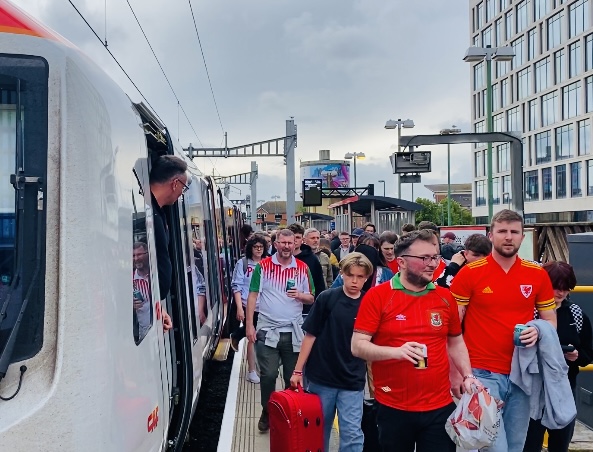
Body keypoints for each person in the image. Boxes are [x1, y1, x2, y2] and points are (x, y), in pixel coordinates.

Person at [352, 229, 481, 452]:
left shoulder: (445, 296)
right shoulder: (378, 296)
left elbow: (456, 341)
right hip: (393, 406)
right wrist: (396, 352)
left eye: (435, 257)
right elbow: (357, 346)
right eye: (424, 258)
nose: (432, 264)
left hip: (439, 407)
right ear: (401, 262)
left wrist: (467, 375)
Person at [450, 209, 557, 452]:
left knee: (516, 446)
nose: (508, 237)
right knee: (493, 447)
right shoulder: (470, 272)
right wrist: (456, 373)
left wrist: (540, 331)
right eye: (502, 231)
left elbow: (550, 321)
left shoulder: (537, 274)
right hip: (482, 373)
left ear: (522, 237)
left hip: (523, 372)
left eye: (514, 232)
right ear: (491, 235)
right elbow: (453, 327)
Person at [290, 253, 374, 452]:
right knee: (319, 431)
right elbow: (310, 336)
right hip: (322, 378)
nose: (355, 281)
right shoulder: (327, 298)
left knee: (353, 433)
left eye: (360, 276)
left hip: (352, 380)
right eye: (350, 275)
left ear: (367, 278)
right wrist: (298, 371)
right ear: (342, 274)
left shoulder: (369, 304)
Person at [245, 229, 315, 432]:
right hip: (267, 329)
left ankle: (286, 413)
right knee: (267, 374)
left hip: (294, 331)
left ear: (295, 244)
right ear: (275, 244)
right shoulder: (263, 267)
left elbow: (312, 297)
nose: (286, 246)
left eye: (290, 243)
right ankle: (267, 411)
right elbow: (252, 296)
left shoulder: (302, 268)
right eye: (282, 243)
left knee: (291, 377)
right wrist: (250, 325)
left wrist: (300, 296)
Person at [523, 261, 593, 452]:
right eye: (555, 286)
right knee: (529, 443)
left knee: (561, 443)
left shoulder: (576, 314)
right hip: (532, 389)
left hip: (564, 388)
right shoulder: (528, 311)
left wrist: (577, 356)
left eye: (566, 287)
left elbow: (588, 351)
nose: (560, 293)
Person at [150, 154, 189, 331]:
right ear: (175, 184)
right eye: (184, 187)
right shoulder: (147, 216)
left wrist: (157, 304)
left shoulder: (156, 212)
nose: (182, 193)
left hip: (153, 306)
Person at [230, 236, 270, 383]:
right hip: (249, 305)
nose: (259, 249)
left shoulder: (269, 263)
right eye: (255, 247)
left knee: (263, 337)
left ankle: (262, 367)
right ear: (250, 248)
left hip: (266, 306)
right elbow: (237, 286)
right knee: (252, 337)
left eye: (261, 247)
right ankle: (251, 370)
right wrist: (240, 308)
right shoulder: (243, 263)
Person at [288, 224, 326, 313]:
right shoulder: (281, 258)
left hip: (306, 309)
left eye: (297, 237)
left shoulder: (312, 259)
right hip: (285, 306)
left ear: (302, 239)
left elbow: (319, 285)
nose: (294, 240)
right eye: (292, 237)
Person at [133, 241, 152, 343]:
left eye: (139, 254)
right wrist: (131, 306)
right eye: (133, 255)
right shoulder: (130, 280)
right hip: (145, 335)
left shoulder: (157, 275)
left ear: (148, 254)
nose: (136, 258)